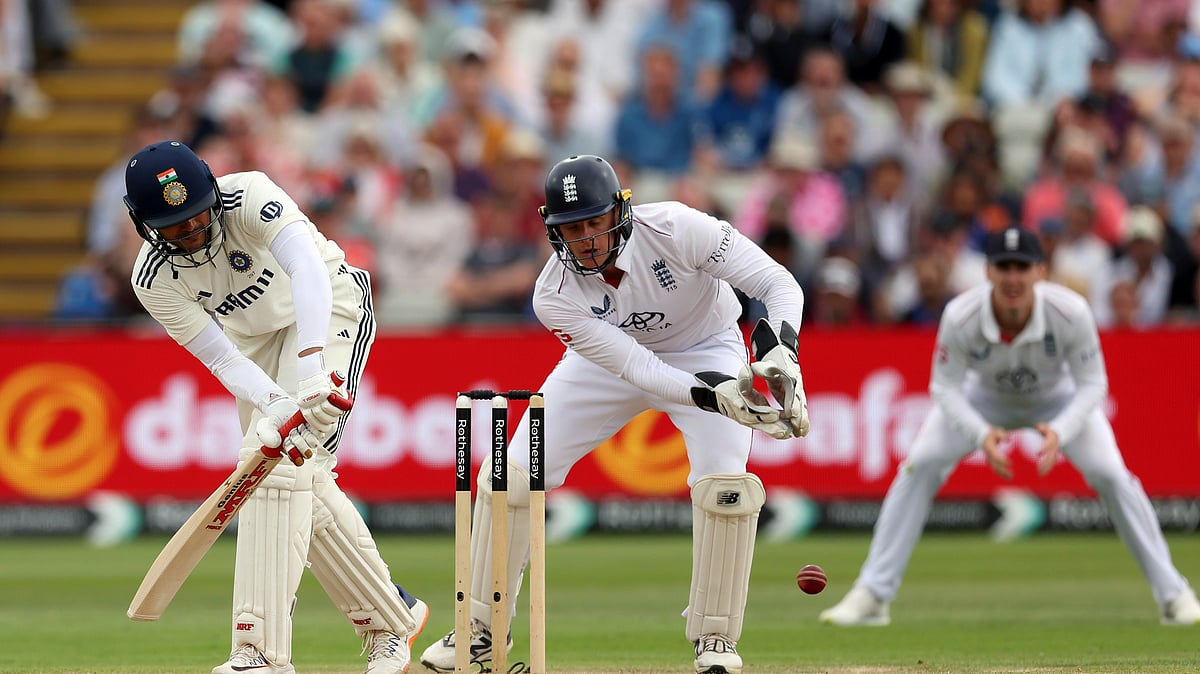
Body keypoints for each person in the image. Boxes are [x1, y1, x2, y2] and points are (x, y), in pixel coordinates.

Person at [419, 155, 811, 674]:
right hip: (605, 362)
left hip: (708, 345)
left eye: (594, 223)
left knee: (726, 489)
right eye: (571, 229)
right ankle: (483, 634)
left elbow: (780, 285)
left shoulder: (678, 227)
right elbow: (635, 366)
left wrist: (784, 349)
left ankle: (715, 638)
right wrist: (709, 395)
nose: (585, 239)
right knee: (511, 477)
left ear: (619, 213)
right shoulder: (552, 293)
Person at [123, 140, 428, 673]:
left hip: (328, 304)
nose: (191, 234)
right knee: (281, 471)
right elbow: (220, 358)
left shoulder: (251, 196)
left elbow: (307, 266)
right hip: (255, 346)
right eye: (173, 229)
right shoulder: (153, 279)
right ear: (144, 226)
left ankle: (259, 653)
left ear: (212, 197)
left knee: (282, 471)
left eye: (196, 218)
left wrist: (311, 369)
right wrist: (277, 401)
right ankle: (391, 619)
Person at [818, 226, 1200, 628]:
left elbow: (1092, 385)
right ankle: (873, 595)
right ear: (988, 272)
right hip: (984, 399)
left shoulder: (1071, 312)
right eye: (1004, 267)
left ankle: (1174, 594)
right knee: (920, 465)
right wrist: (981, 434)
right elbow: (944, 388)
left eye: (1022, 267)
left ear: (1040, 272)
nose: (1013, 278)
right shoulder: (961, 315)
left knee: (1111, 474)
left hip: (1058, 400)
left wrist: (1061, 431)